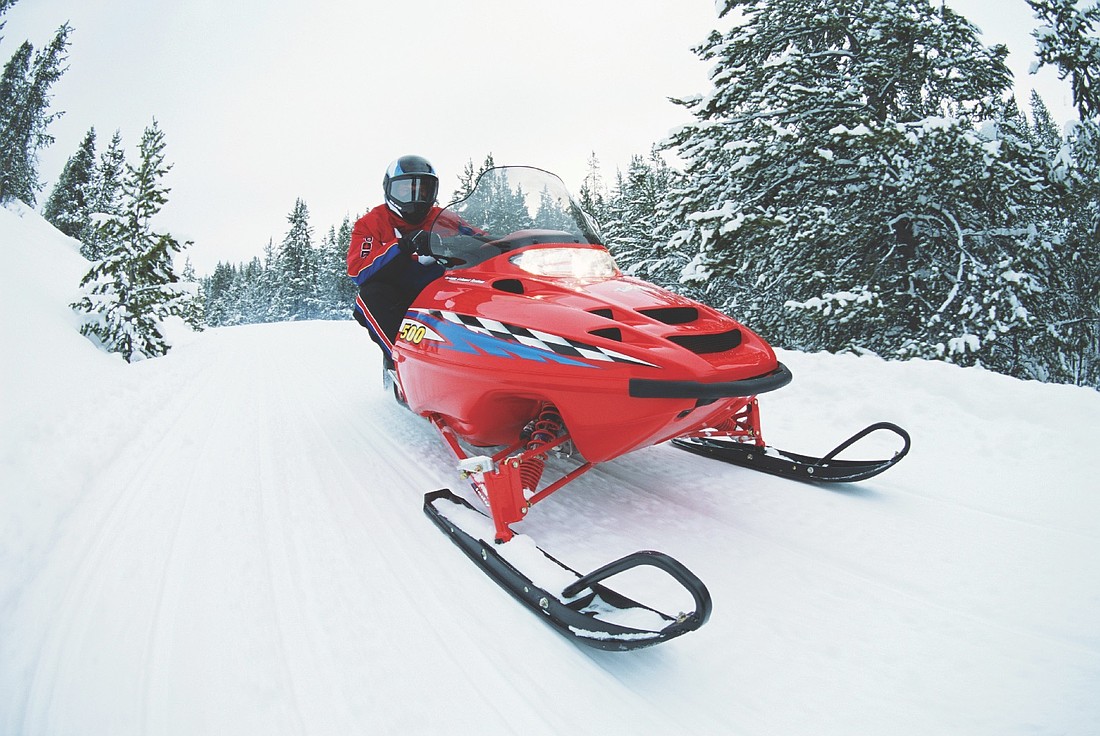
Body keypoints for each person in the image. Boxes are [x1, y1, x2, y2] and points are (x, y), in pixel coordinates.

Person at [346, 155, 447, 365]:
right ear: (390, 189)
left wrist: (505, 242)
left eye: (422, 190)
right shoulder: (370, 223)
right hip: (395, 295)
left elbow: (476, 239)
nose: (415, 196)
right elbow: (358, 270)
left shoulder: (443, 218)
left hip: (437, 290)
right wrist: (401, 246)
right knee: (369, 295)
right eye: (405, 189)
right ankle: (400, 361)